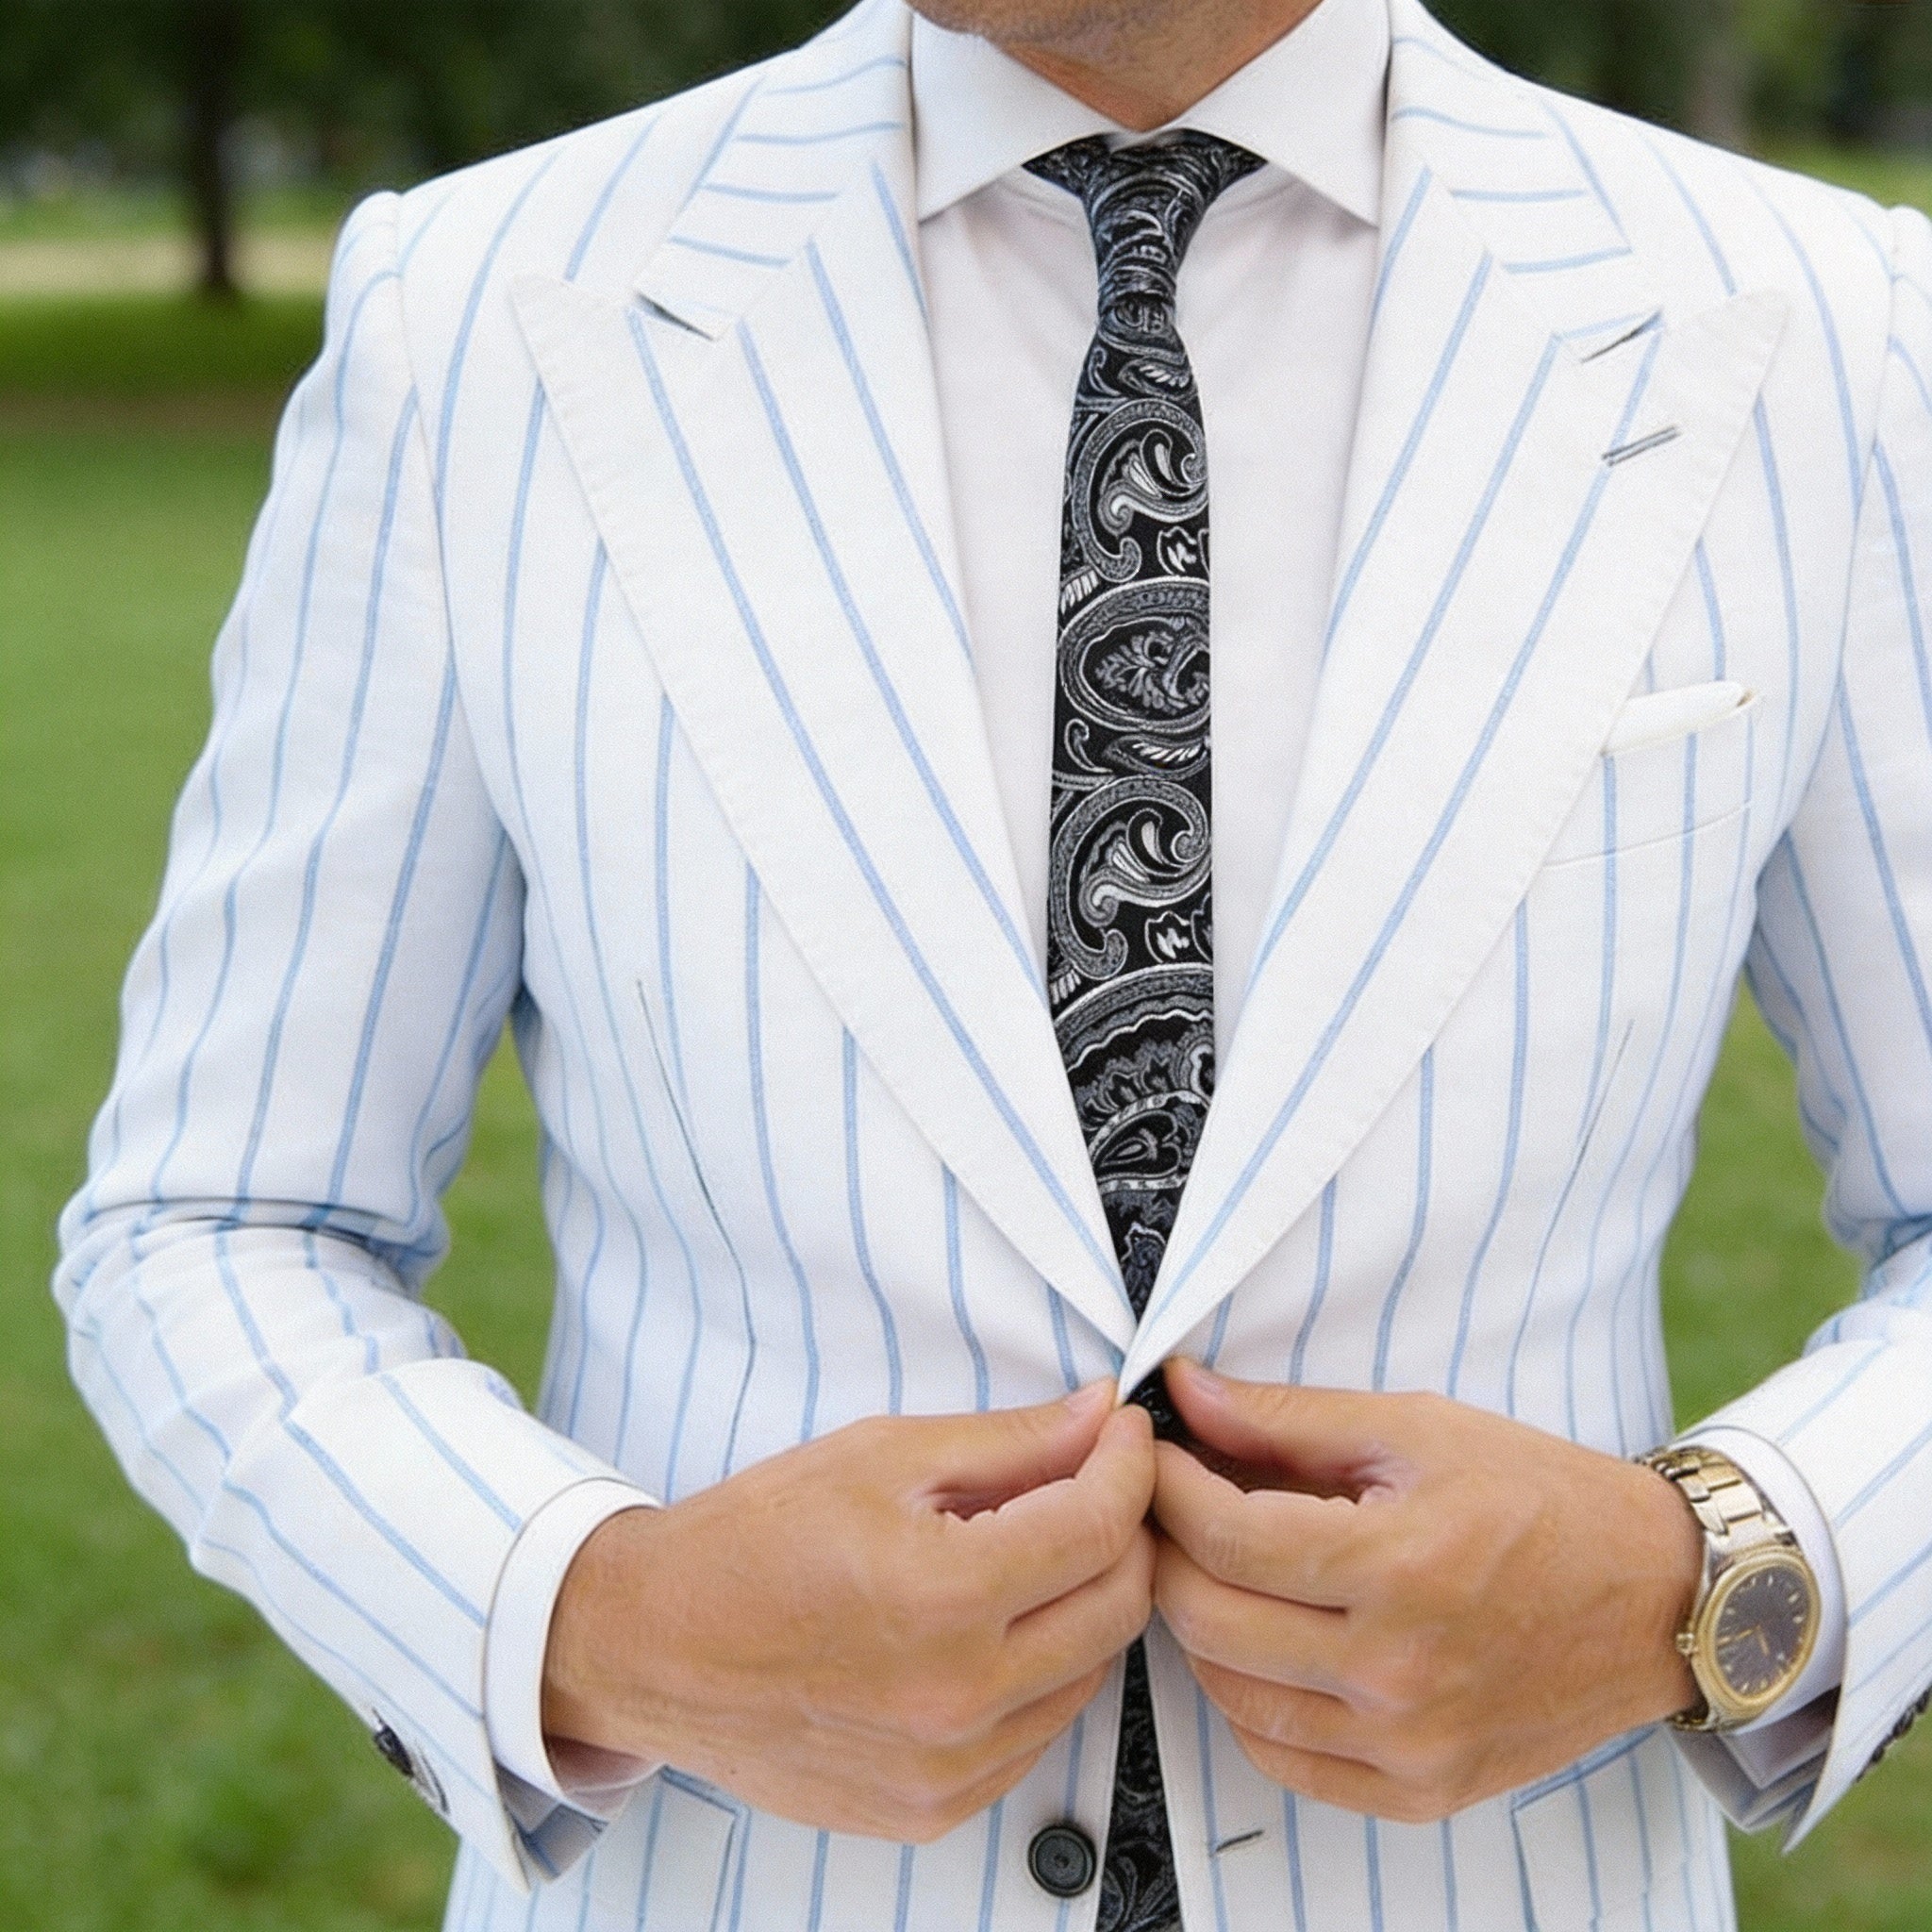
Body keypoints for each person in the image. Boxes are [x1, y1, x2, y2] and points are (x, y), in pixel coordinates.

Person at [54, 0, 1932, 1923]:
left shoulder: (1820, 324)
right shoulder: (476, 310)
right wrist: (605, 1622)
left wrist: (1708, 1576)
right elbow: (216, 1221)